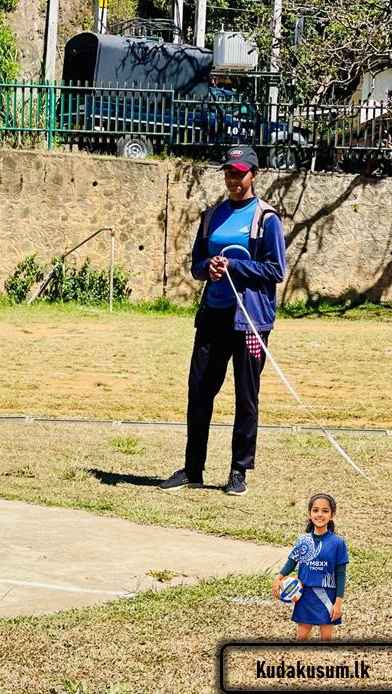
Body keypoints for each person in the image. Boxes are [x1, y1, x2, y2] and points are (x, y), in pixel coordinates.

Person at [159, 146, 286, 497]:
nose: (233, 179)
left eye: (240, 173)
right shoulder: (211, 216)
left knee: (246, 397)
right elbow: (196, 265)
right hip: (213, 316)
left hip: (250, 321)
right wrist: (209, 268)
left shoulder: (266, 219)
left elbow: (276, 270)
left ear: (254, 175)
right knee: (199, 391)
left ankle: (238, 471)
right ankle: (192, 469)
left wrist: (234, 266)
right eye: (229, 172)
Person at [272, 493, 349, 641]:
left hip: (327, 597)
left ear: (332, 515)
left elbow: (341, 574)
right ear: (309, 513)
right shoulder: (303, 541)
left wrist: (338, 603)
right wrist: (278, 578)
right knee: (301, 640)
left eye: (325, 511)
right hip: (304, 596)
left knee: (326, 641)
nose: (319, 514)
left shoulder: (338, 543)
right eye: (315, 510)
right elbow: (291, 562)